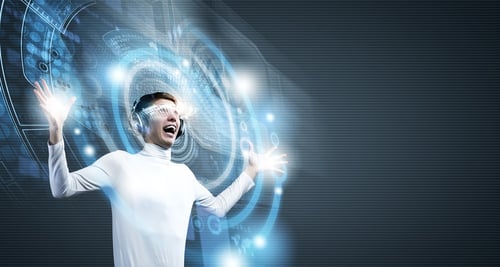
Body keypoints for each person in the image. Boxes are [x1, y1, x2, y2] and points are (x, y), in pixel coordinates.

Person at [33, 79, 287, 267]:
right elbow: (61, 187)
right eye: (163, 111)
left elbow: (217, 208)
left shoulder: (184, 175)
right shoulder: (119, 163)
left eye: (177, 114)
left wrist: (251, 170)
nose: (173, 118)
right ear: (140, 122)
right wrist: (56, 130)